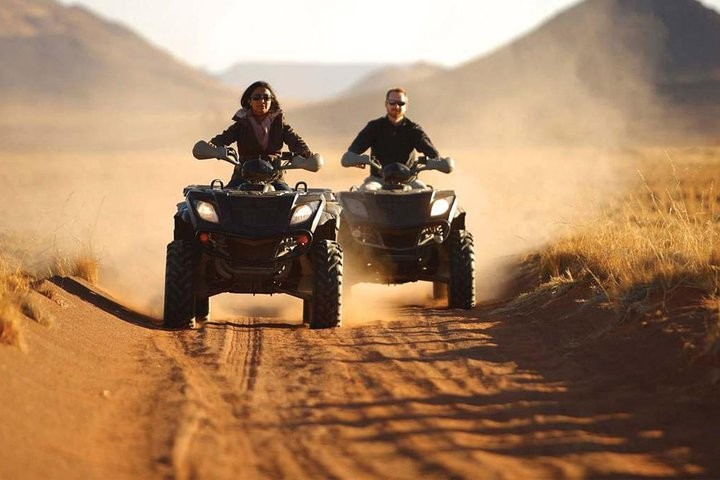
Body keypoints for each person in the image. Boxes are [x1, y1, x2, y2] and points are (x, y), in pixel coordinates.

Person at [209, 80, 313, 189]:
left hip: (274, 176)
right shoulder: (242, 123)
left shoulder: (279, 123)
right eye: (256, 97)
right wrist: (213, 145)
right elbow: (225, 137)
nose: (262, 101)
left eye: (266, 98)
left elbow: (294, 140)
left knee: (288, 201)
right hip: (243, 176)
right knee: (225, 200)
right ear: (249, 101)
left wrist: (304, 151)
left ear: (271, 101)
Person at [342, 87, 440, 190]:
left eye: (401, 103)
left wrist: (438, 162)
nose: (396, 106)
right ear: (386, 104)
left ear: (406, 105)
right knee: (367, 190)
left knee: (424, 193)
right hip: (378, 181)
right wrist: (354, 158)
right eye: (392, 102)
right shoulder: (374, 127)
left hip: (409, 182)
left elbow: (433, 154)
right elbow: (351, 153)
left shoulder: (413, 129)